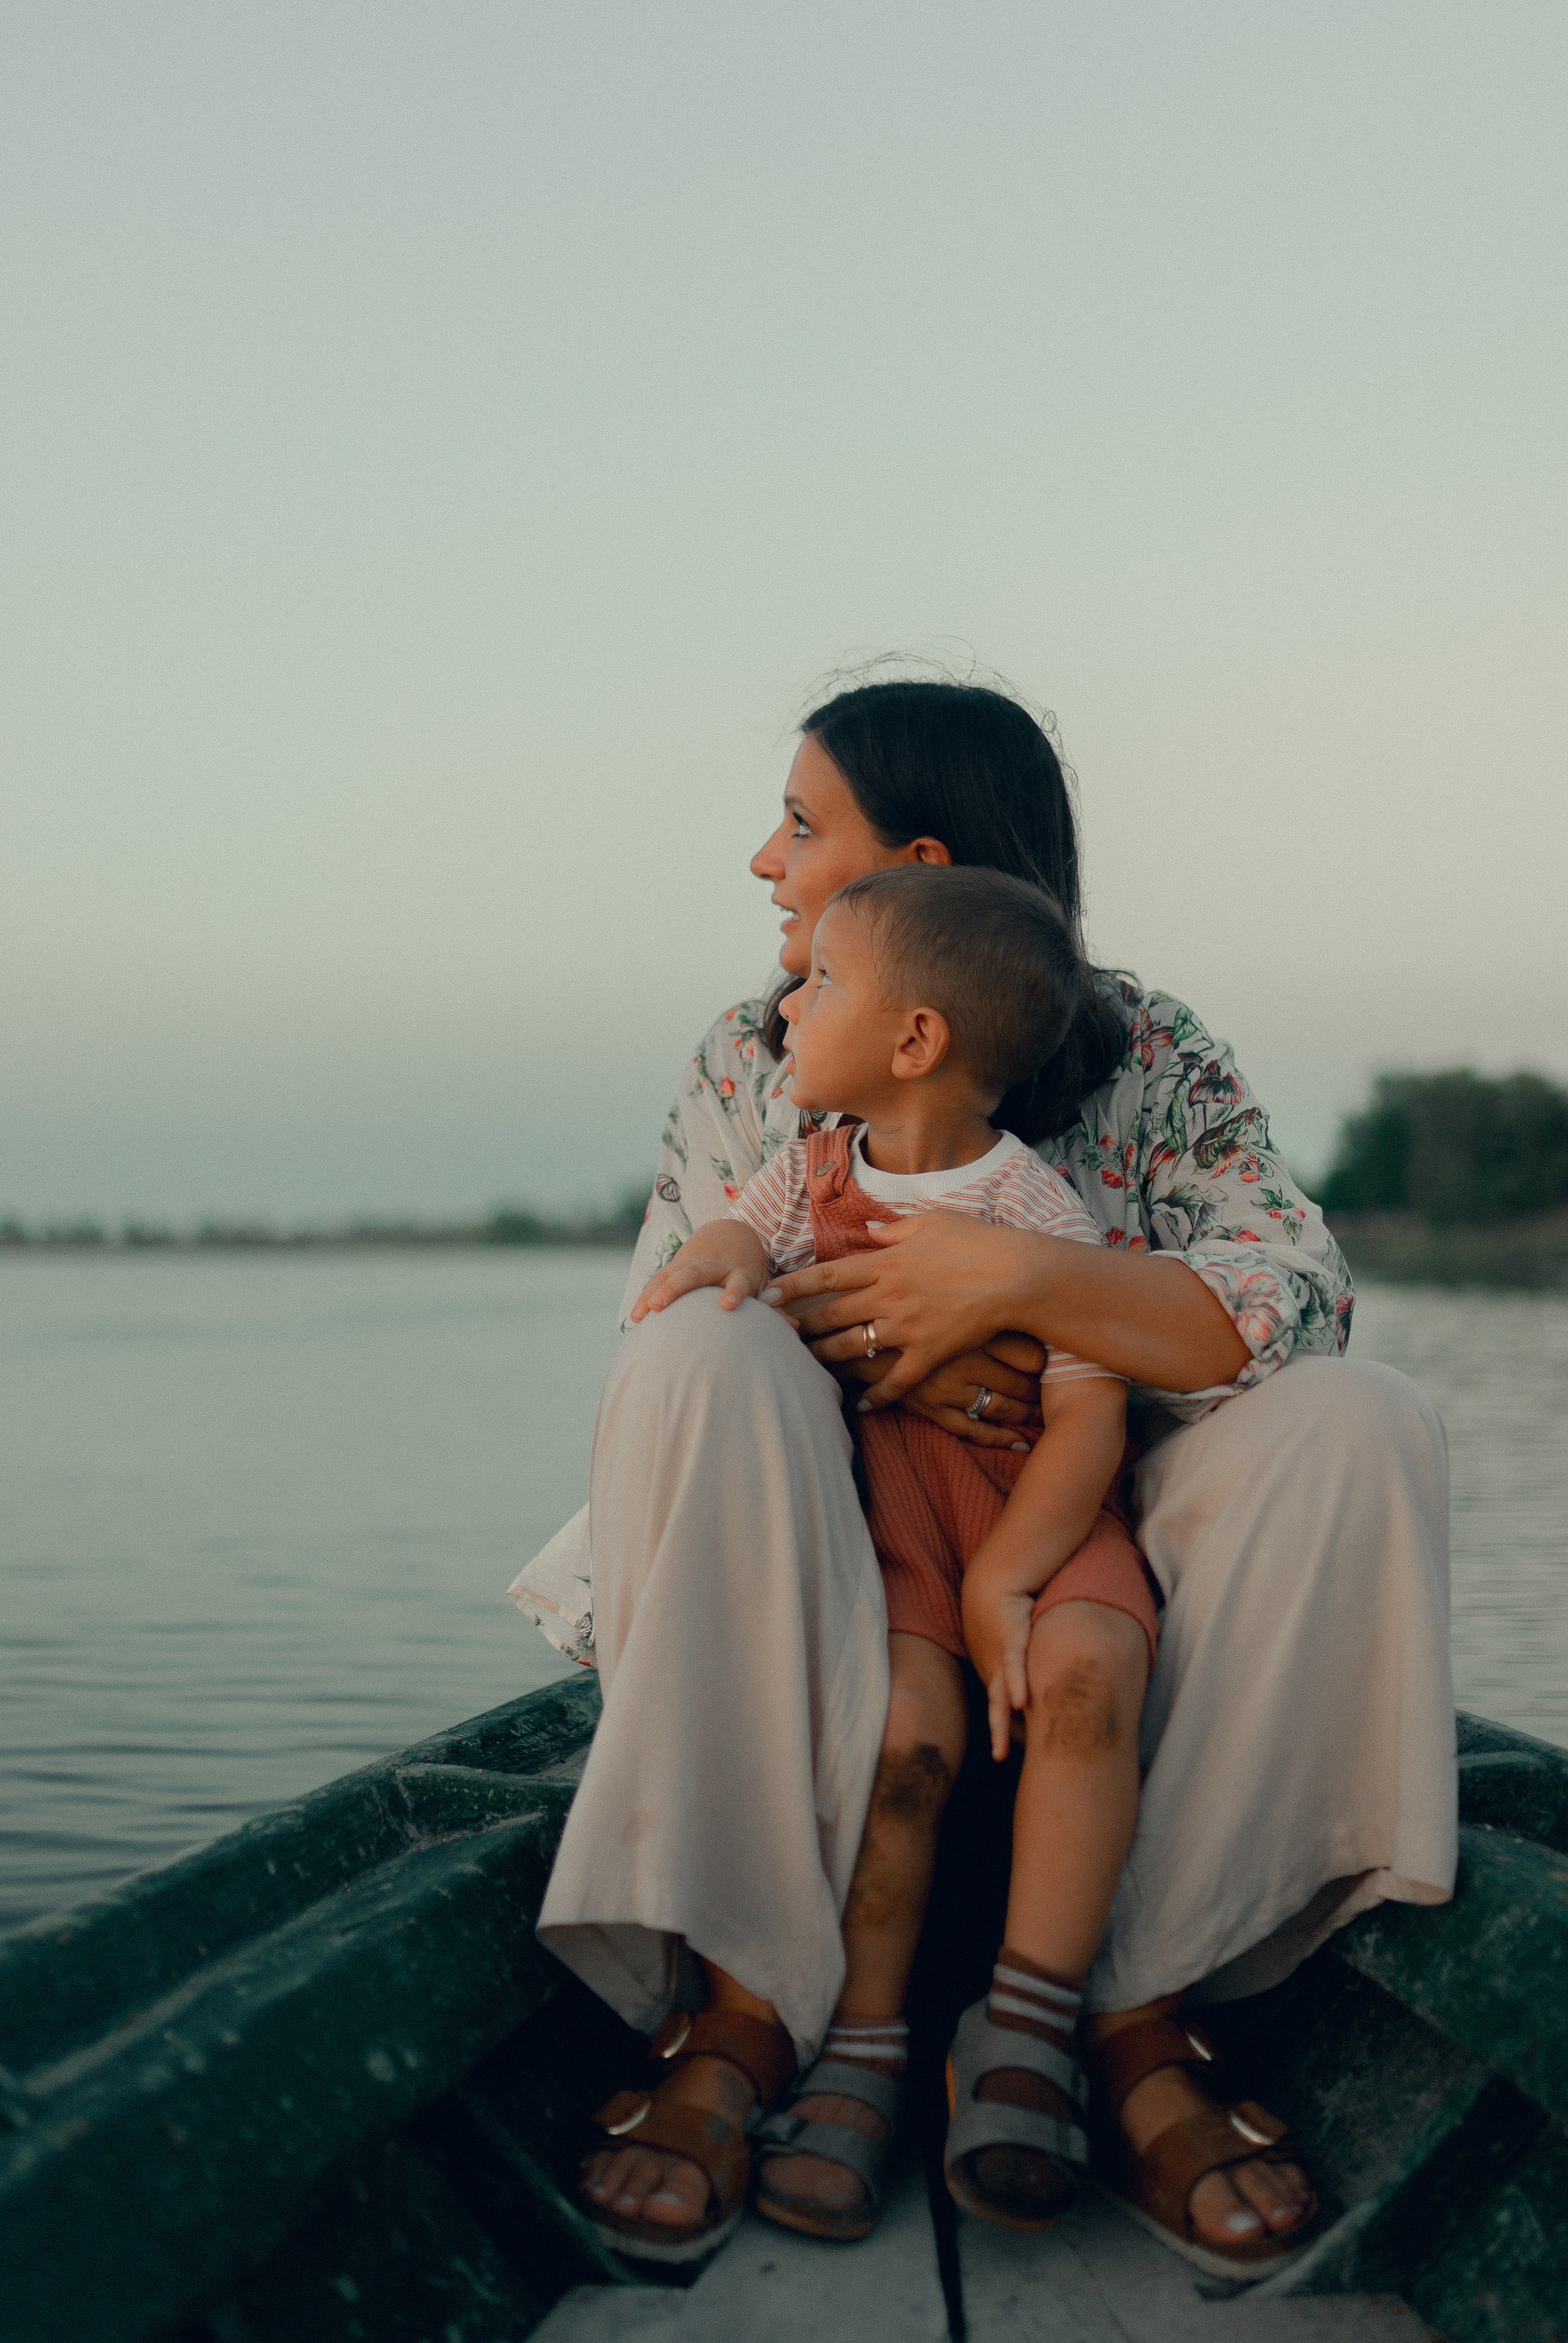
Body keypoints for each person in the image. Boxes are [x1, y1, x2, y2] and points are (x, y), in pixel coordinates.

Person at [517, 677, 1454, 2274]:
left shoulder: (1142, 1053)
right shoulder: (756, 1061)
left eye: (801, 826)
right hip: (848, 1531)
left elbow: (1296, 1292)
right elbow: (677, 1302)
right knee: (691, 1360)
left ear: (917, 866)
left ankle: (1132, 2009)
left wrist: (1011, 1289)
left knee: (1361, 1417)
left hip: (1092, 1530)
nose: (760, 860)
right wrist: (910, 1346)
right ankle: (738, 2002)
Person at [630, 861, 1181, 2253]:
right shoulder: (805, 1168)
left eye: (818, 983)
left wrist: (1010, 1577)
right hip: (894, 1527)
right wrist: (718, 1270)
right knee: (905, 1740)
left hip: (1038, 1514)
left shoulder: (1036, 1214)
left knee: (1085, 1675)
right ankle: (866, 2044)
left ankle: (1031, 2028)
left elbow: (1088, 1410)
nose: (787, 1006)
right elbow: (732, 1241)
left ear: (913, 1040)